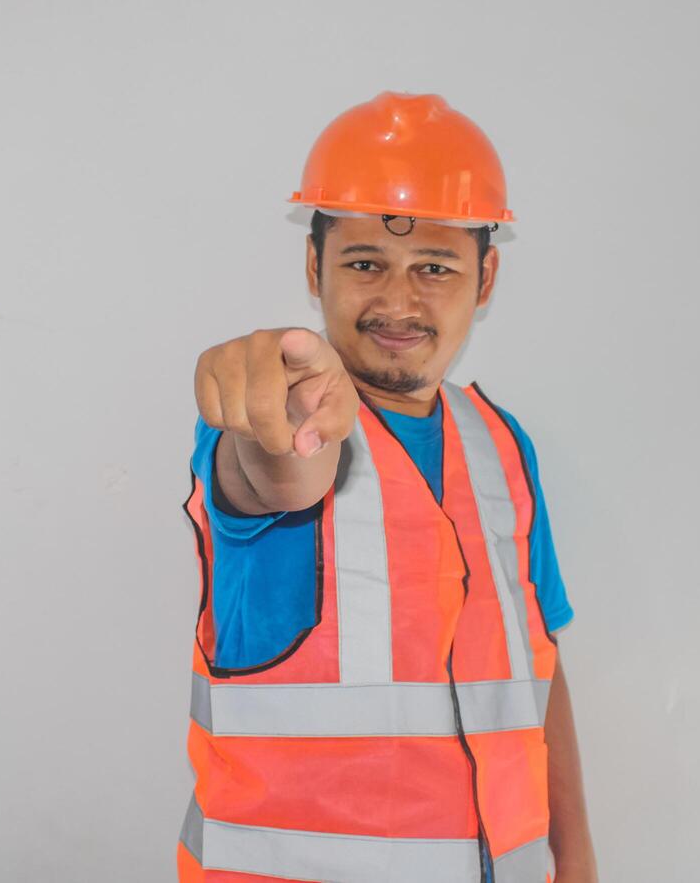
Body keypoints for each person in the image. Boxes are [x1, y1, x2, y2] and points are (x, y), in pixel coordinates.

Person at [177, 92, 598, 882]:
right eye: (364, 262)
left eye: (434, 267)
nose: (398, 302)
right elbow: (276, 469)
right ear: (314, 267)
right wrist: (270, 414)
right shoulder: (286, 416)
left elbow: (536, 669)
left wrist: (574, 860)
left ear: (486, 276)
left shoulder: (502, 445)